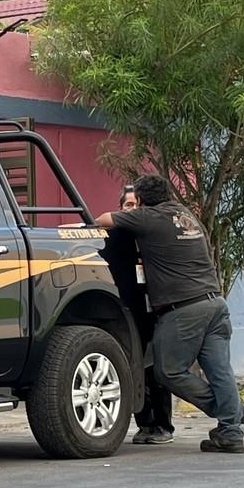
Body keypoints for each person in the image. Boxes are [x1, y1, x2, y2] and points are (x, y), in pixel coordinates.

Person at [95, 174, 244, 453]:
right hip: (215, 303)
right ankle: (230, 429)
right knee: (220, 371)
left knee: (168, 371)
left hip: (183, 309)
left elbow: (103, 220)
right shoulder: (187, 215)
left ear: (140, 201)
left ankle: (233, 413)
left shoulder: (147, 217)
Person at [101, 184, 174, 445]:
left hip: (158, 308)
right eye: (128, 206)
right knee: (134, 366)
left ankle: (164, 424)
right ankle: (144, 423)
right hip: (126, 310)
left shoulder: (156, 234)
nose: (133, 210)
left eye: (136, 205)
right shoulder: (113, 237)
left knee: (157, 368)